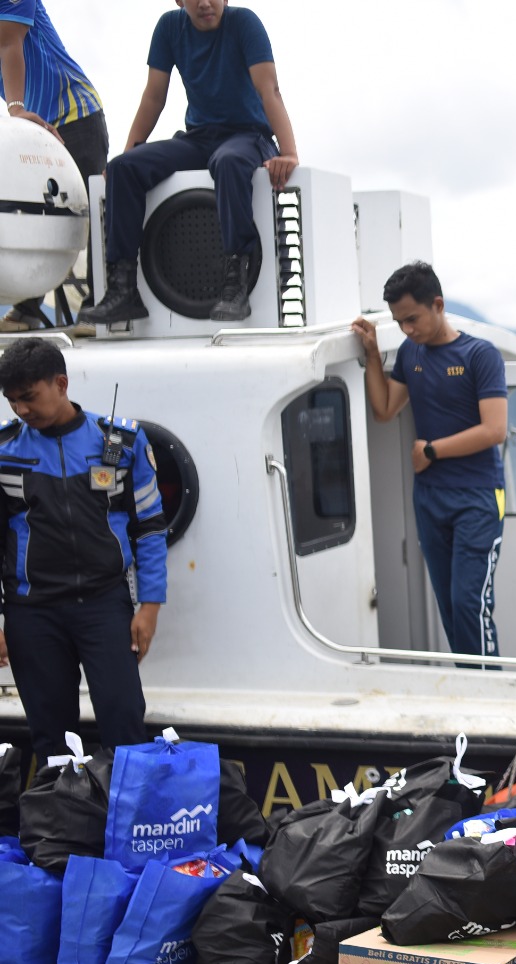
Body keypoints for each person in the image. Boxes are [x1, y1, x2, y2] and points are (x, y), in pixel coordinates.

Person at [79, 0, 299, 326]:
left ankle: (235, 283)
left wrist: (289, 151)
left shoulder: (244, 23)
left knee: (227, 161)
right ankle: (123, 289)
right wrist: (125, 154)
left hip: (248, 135)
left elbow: (270, 90)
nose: (205, 3)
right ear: (180, 0)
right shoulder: (169, 27)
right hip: (199, 137)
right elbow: (154, 96)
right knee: (124, 167)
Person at [0, 338, 168, 756]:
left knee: (124, 720)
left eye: (28, 397)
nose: (20, 410)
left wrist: (150, 606)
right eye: (10, 401)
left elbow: (149, 526)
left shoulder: (121, 444)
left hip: (104, 606)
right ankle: (63, 819)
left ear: (61, 383)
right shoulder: (3, 451)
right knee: (51, 737)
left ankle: (128, 820)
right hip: (31, 612)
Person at [353, 262, 508, 661]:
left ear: (437, 304)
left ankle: (488, 696)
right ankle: (472, 688)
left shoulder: (480, 354)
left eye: (412, 319)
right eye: (398, 322)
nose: (406, 329)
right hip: (430, 499)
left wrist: (432, 450)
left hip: (478, 498)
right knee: (450, 608)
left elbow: (495, 430)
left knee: (469, 605)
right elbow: (385, 408)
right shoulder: (410, 353)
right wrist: (372, 354)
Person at [0, 0, 107, 334]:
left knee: (87, 210)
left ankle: (97, 307)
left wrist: (15, 108)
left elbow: (8, 41)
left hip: (75, 113)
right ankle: (27, 307)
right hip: (33, 130)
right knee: (38, 211)